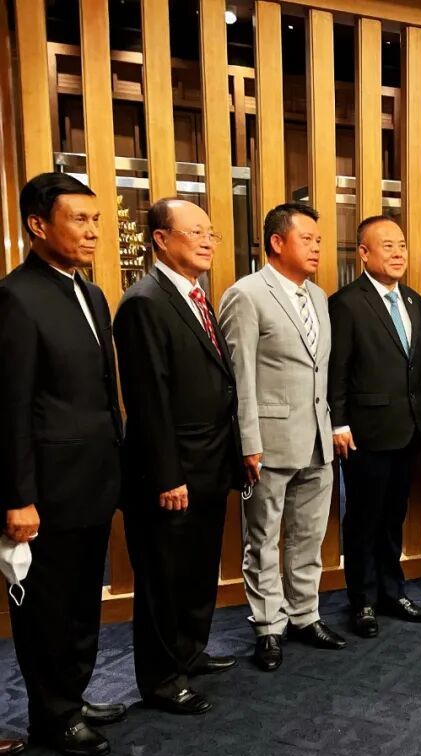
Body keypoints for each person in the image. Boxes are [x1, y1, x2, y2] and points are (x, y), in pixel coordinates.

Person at [0, 173, 125, 756]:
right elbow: (10, 408)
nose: (93, 231)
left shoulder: (91, 293)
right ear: (38, 225)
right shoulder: (16, 296)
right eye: (79, 219)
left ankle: (72, 695)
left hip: (93, 478)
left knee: (81, 602)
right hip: (45, 490)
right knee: (46, 610)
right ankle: (53, 716)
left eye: (96, 219)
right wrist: (17, 497)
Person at [114, 198, 242, 716]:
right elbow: (148, 399)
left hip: (209, 460)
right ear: (161, 240)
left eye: (211, 233)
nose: (208, 241)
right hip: (172, 470)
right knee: (165, 578)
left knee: (198, 568)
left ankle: (190, 651)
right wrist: (167, 474)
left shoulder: (195, 295)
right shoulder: (145, 301)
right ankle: (163, 679)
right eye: (195, 233)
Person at [219, 203, 346, 672]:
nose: (317, 247)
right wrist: (248, 442)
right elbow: (240, 378)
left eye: (319, 240)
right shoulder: (246, 294)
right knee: (263, 538)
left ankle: (305, 614)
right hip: (268, 441)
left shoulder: (318, 296)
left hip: (316, 438)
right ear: (277, 242)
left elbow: (319, 371)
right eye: (307, 239)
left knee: (309, 535)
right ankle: (268, 625)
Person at [329, 215, 421, 637]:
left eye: (402, 245)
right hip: (365, 432)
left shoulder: (413, 301)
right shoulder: (346, 303)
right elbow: (337, 370)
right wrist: (338, 422)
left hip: (408, 429)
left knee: (394, 516)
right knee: (364, 519)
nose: (398, 253)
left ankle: (393, 591)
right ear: (363, 253)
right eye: (387, 246)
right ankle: (363, 600)